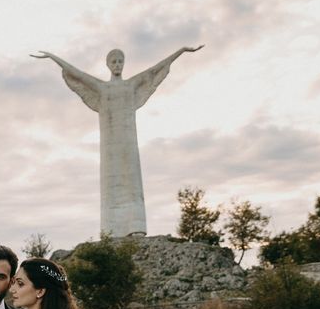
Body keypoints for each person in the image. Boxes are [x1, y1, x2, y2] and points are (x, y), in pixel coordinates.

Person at [32, 46, 204, 237]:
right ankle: (111, 230)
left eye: (120, 61)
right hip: (109, 145)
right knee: (111, 184)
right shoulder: (101, 88)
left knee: (132, 183)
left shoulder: (130, 85)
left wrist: (180, 51)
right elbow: (77, 75)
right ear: (107, 65)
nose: (117, 65)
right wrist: (52, 57)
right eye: (113, 62)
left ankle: (135, 227)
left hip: (128, 143)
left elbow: (155, 70)